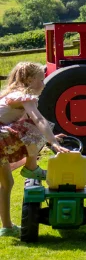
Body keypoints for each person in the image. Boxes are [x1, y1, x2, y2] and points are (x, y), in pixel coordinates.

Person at [0, 62, 67, 237]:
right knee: (33, 125)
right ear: (29, 80)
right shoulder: (23, 96)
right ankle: (31, 169)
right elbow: (38, 119)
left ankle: (6, 227)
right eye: (41, 79)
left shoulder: (10, 95)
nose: (44, 84)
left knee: (7, 184)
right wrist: (52, 141)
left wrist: (49, 137)